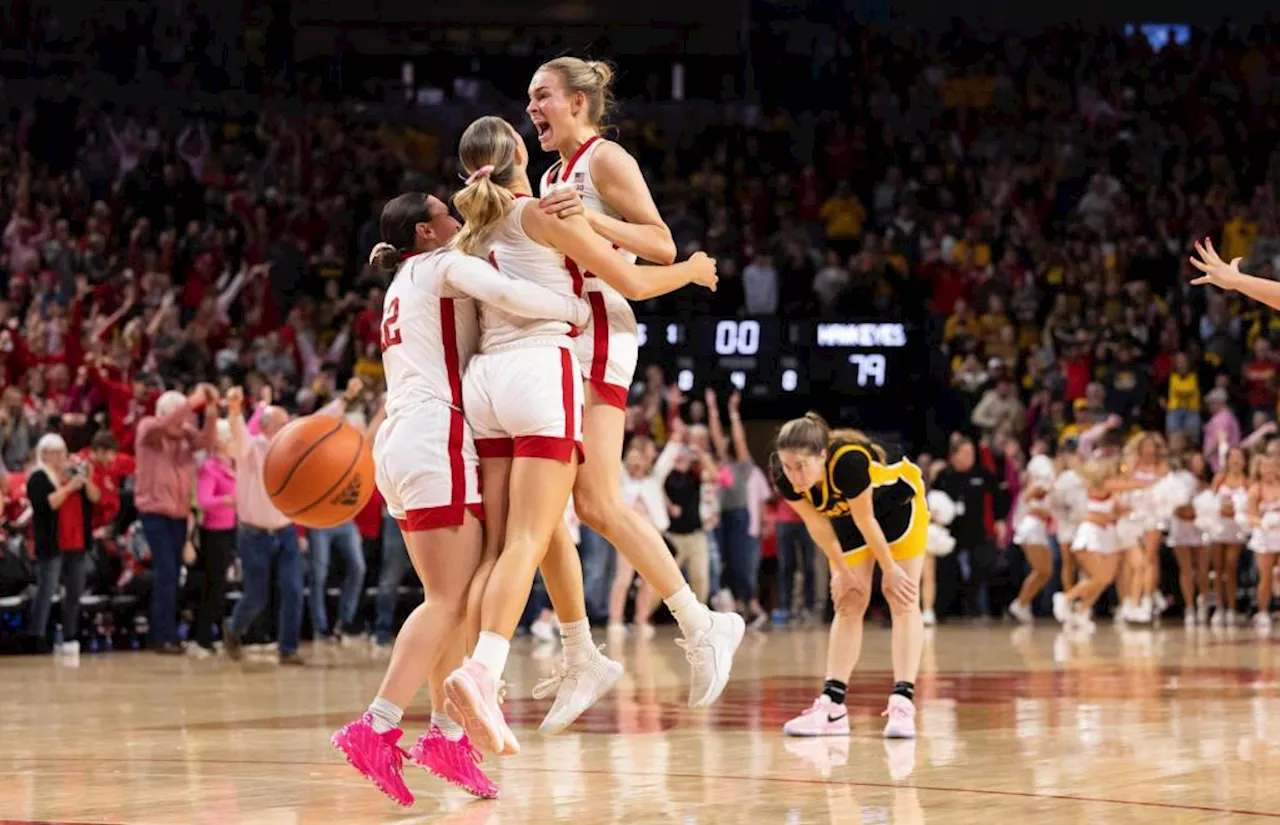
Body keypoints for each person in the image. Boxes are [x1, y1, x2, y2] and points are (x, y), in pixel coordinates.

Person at [440, 114, 719, 755]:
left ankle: (534, 673)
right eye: (528, 107)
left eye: (542, 96)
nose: (533, 110)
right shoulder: (541, 206)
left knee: (523, 538)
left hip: (481, 383)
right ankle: (488, 670)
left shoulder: (469, 235)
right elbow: (638, 277)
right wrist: (693, 269)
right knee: (543, 531)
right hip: (546, 366)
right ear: (515, 150)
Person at [331, 190, 595, 806]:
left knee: (450, 597)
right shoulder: (442, 263)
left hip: (402, 438)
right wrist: (571, 309)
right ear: (426, 231)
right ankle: (376, 725)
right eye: (446, 213)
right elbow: (507, 294)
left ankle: (447, 735)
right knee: (451, 600)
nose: (458, 216)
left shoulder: (401, 278)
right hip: (433, 435)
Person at [528, 56, 746, 712]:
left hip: (602, 325)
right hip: (566, 329)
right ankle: (617, 642)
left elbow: (660, 243)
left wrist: (590, 221)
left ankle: (692, 625)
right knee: (582, 505)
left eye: (542, 96)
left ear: (577, 101)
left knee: (584, 502)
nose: (532, 108)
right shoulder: (549, 172)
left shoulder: (604, 159)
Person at [771, 412, 927, 739]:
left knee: (902, 599)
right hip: (851, 518)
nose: (794, 475)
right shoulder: (785, 476)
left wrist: (890, 570)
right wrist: (841, 571)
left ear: (822, 456)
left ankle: (903, 702)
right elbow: (817, 524)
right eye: (788, 466)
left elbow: (868, 519)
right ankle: (833, 706)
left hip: (897, 509)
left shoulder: (848, 462)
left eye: (801, 466)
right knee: (847, 602)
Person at [134, 383, 219, 654]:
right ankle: (162, 635)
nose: (185, 421)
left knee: (173, 575)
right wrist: (191, 402)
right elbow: (163, 425)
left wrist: (212, 412)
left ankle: (166, 633)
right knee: (167, 572)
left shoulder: (185, 436)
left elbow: (208, 443)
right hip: (154, 512)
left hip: (179, 514)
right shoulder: (148, 428)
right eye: (181, 416)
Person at [25, 433, 98, 655]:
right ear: (44, 454)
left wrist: (87, 480)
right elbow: (48, 504)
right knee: (46, 590)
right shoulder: (38, 477)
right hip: (52, 543)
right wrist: (69, 488)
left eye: (62, 452)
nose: (60, 457)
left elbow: (95, 498)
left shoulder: (73, 476)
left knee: (75, 591)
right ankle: (36, 636)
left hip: (76, 541)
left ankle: (70, 634)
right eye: (55, 453)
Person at [191, 419, 236, 657]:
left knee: (220, 586)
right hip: (214, 532)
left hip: (229, 530)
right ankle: (202, 638)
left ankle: (212, 634)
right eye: (228, 439)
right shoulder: (209, 467)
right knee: (213, 585)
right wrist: (227, 501)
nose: (232, 443)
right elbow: (203, 500)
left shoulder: (229, 465)